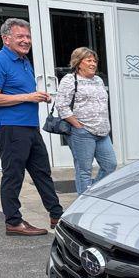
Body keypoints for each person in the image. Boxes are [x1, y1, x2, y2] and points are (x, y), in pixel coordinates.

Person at [0, 17, 63, 236]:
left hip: (29, 127)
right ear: (6, 38)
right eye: (20, 36)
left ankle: (57, 215)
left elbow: (20, 95)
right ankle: (13, 222)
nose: (26, 40)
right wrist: (28, 96)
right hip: (10, 127)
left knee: (42, 173)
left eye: (28, 36)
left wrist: (38, 97)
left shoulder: (25, 61)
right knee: (13, 175)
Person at [55, 47, 116, 194]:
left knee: (110, 165)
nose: (93, 64)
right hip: (82, 132)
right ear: (78, 63)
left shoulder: (98, 80)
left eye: (94, 61)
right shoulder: (70, 80)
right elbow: (61, 105)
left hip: (102, 132)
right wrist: (78, 125)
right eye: (88, 60)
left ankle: (91, 192)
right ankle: (84, 203)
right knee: (84, 170)